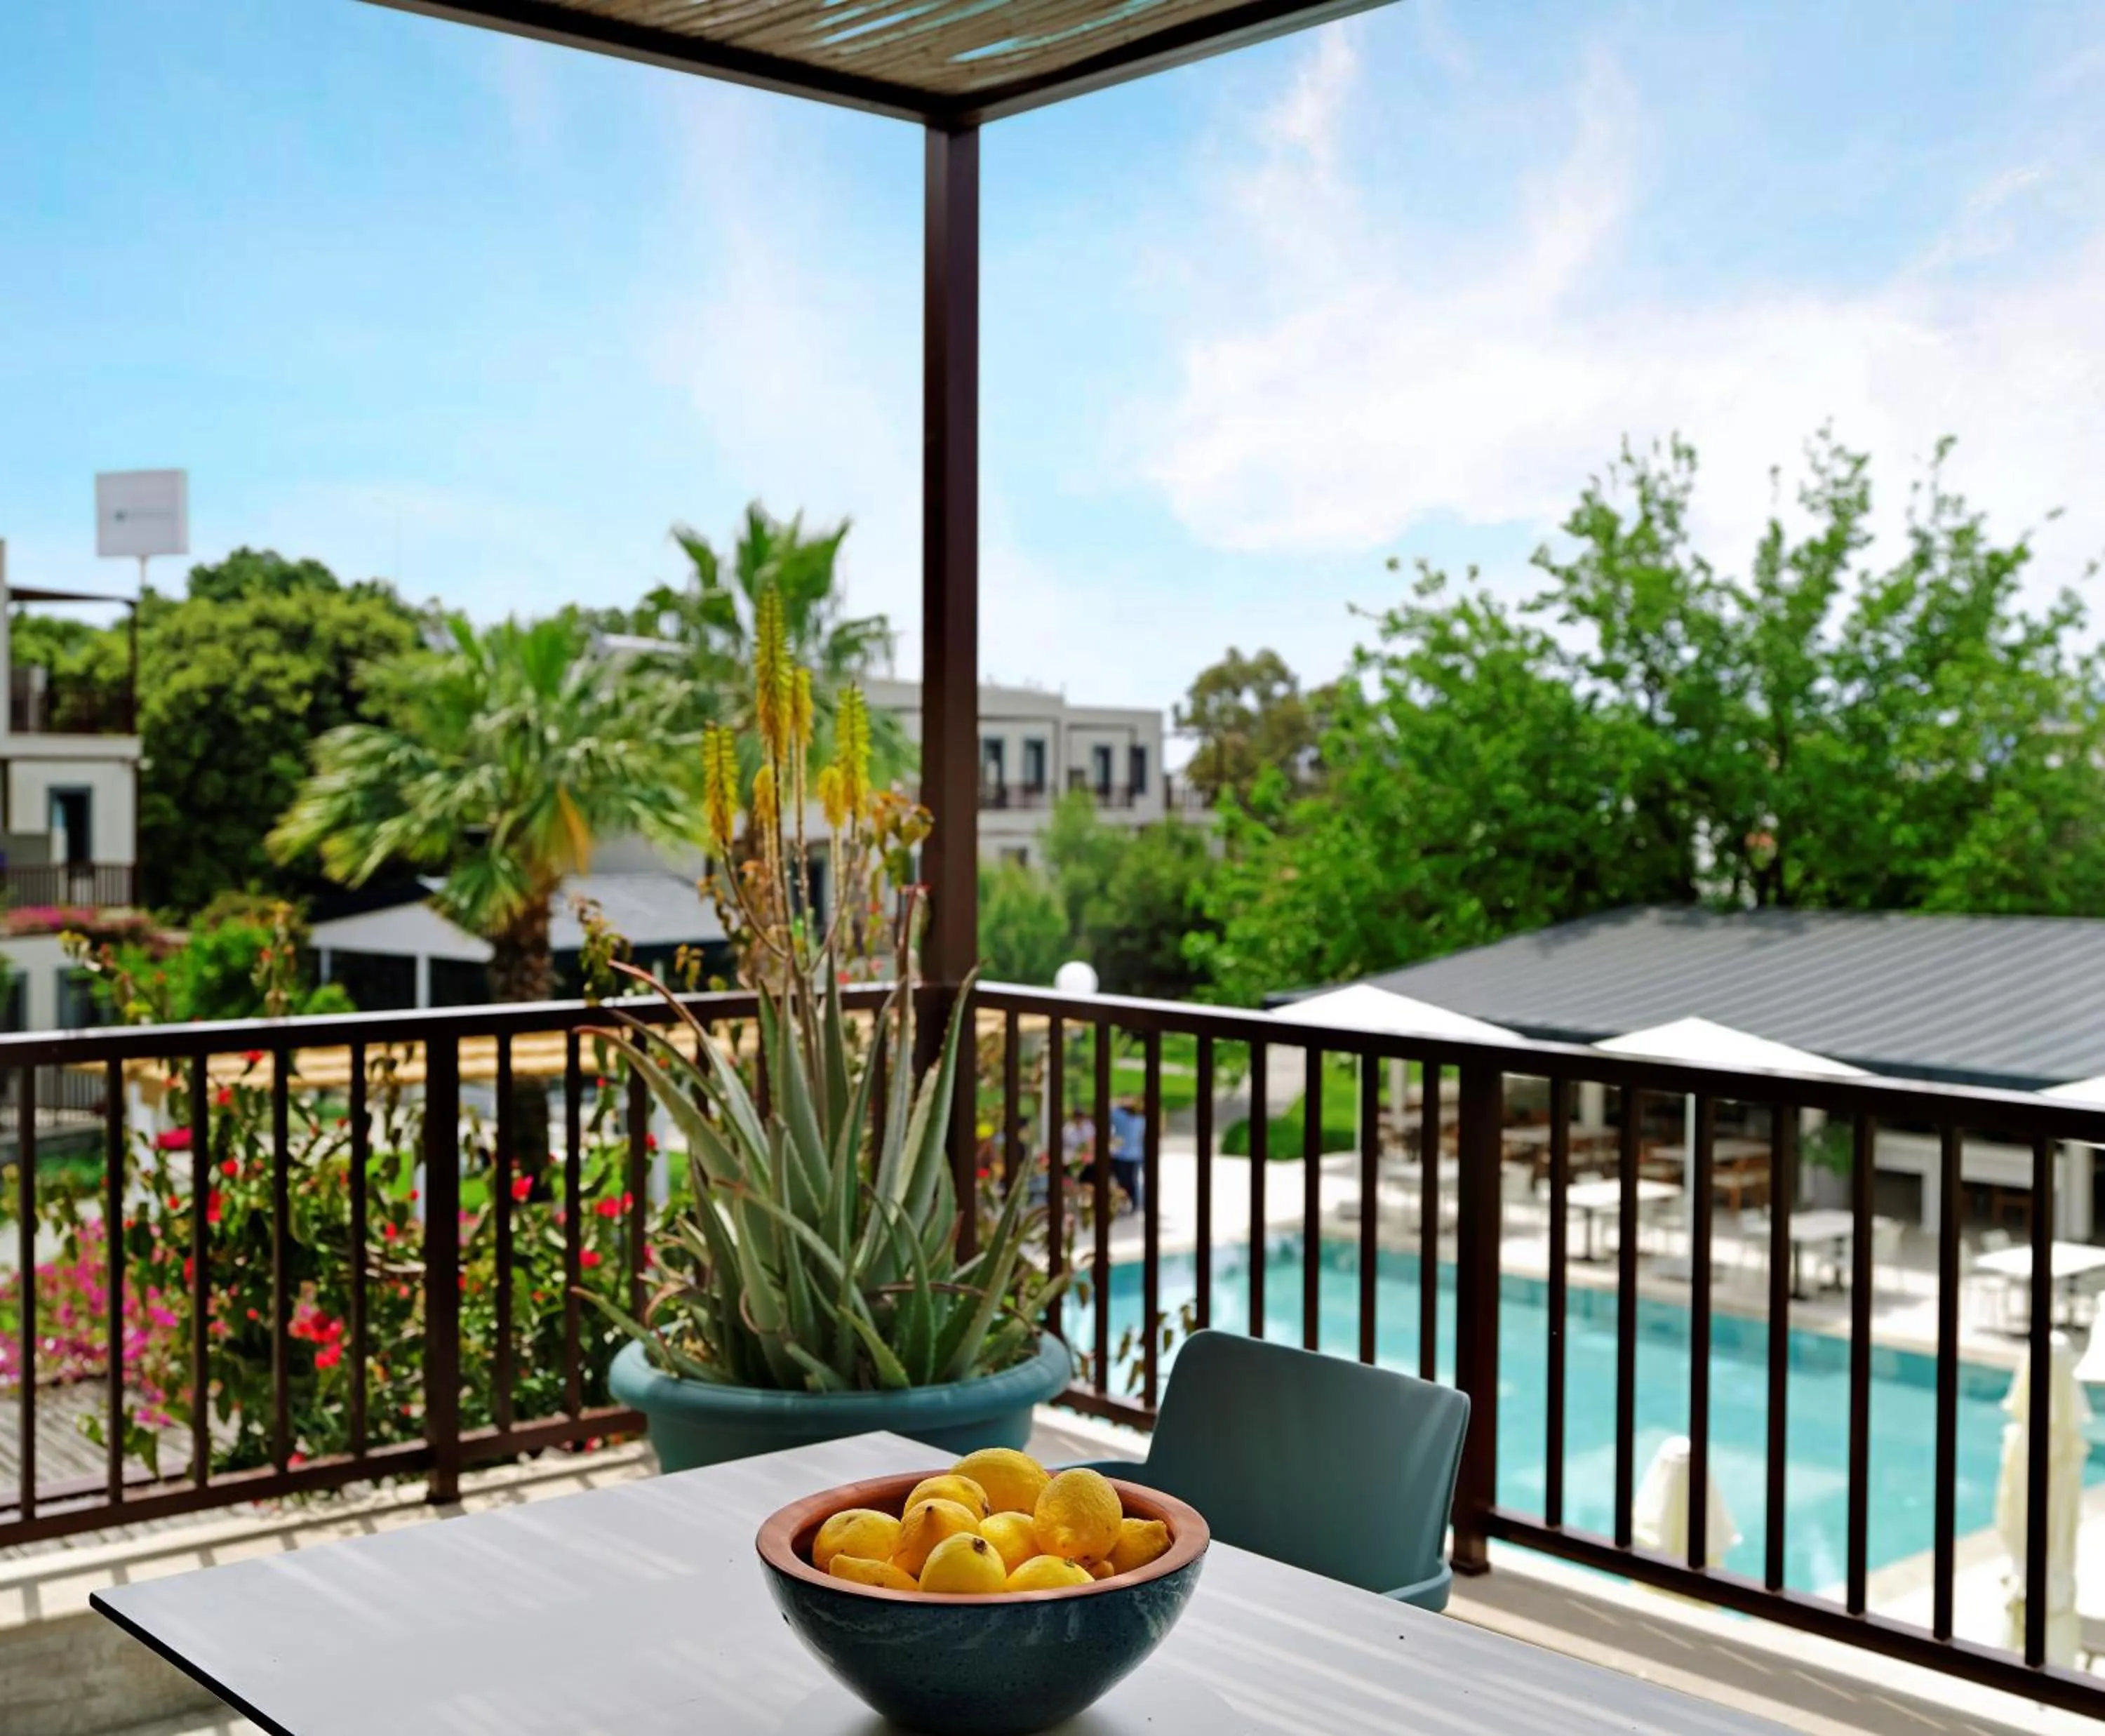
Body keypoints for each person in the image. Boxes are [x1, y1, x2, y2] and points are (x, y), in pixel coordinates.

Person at [1109, 1095, 1147, 1217]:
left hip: (1122, 1155)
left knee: (1123, 1181)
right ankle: (1132, 1204)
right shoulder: (1140, 1120)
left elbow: (1111, 1109)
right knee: (1131, 1181)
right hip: (1133, 1155)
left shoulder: (1120, 1116)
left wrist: (1121, 1102)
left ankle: (1126, 1203)